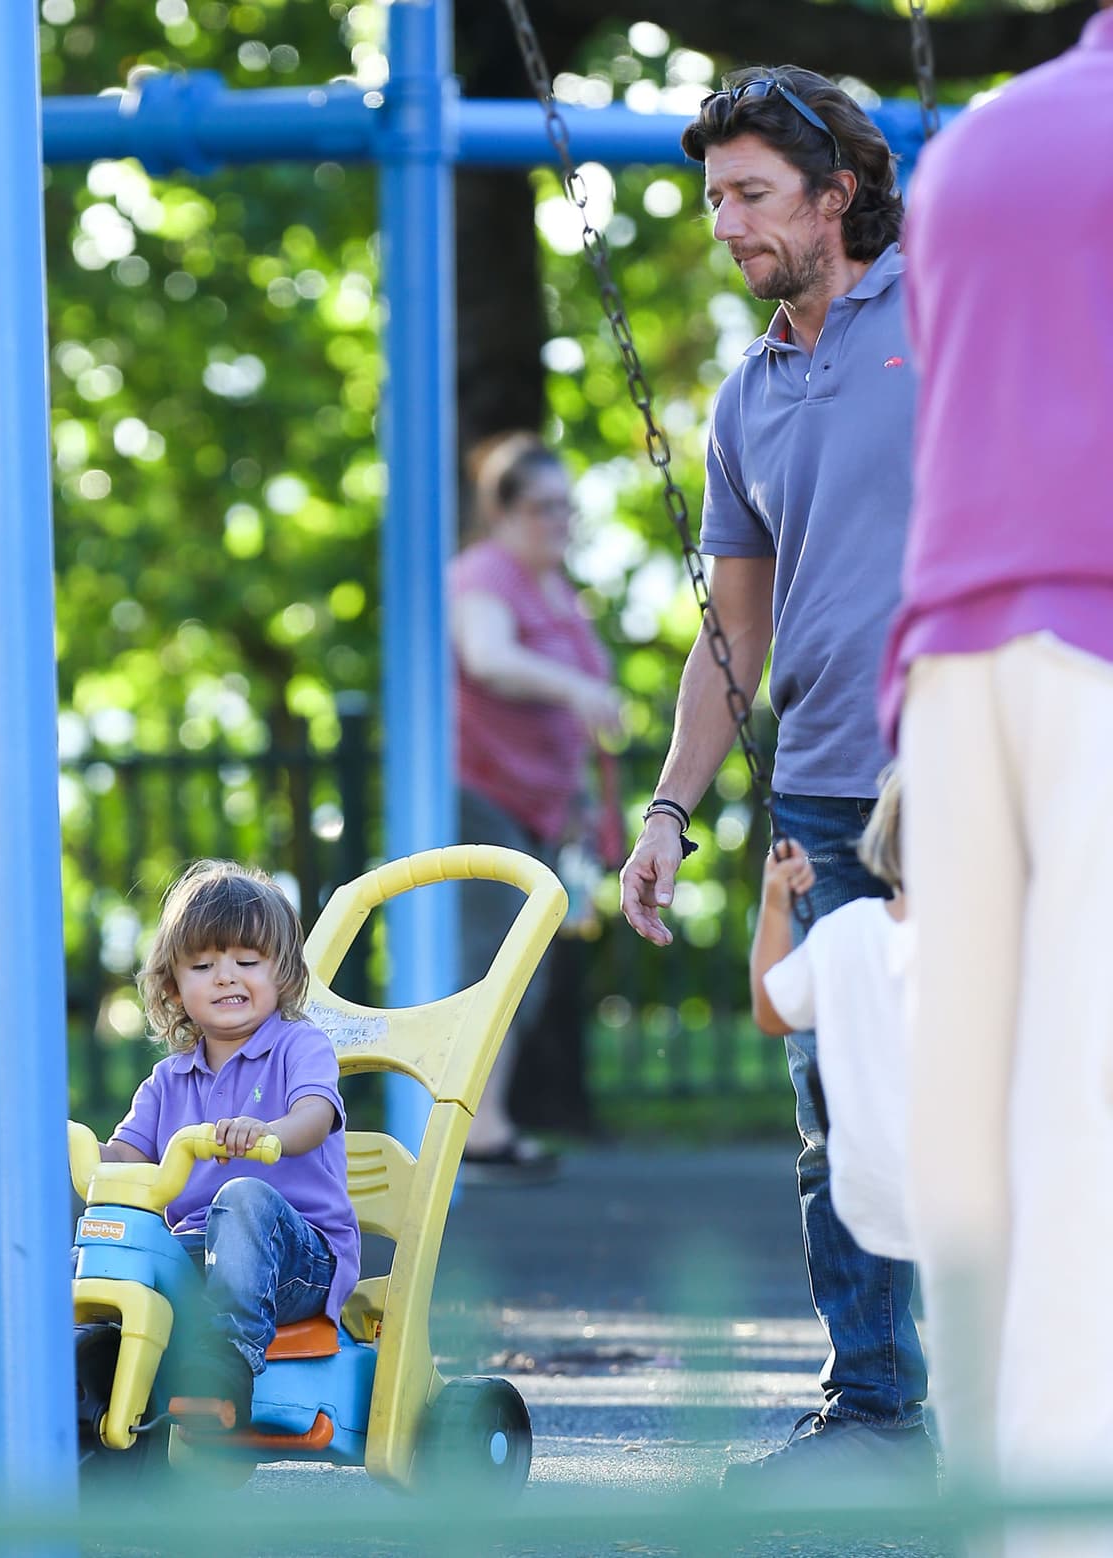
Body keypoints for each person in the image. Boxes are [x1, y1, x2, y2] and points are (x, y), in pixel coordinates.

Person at [619, 67, 933, 1488]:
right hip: (820, 796)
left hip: (963, 776)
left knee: (1015, 1090)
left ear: (839, 191)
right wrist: (671, 811)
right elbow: (731, 637)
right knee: (840, 1122)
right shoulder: (749, 391)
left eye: (751, 195)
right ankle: (875, 1411)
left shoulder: (945, 314)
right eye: (715, 201)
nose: (728, 224)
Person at [878, 6, 1113, 1544]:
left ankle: (993, 1509)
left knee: (973, 1135)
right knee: (1088, 1116)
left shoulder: (978, 149)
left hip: (955, 664)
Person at [102, 859, 361, 1422]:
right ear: (173, 985)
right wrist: (58, 1149)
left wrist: (269, 1133)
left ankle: (227, 1362)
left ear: (283, 975)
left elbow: (315, 1115)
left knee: (242, 1196)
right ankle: (65, 1362)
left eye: (247, 961)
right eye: (202, 965)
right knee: (106, 1237)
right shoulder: (167, 1080)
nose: (226, 976)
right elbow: (123, 1160)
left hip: (295, 1259)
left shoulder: (300, 1046)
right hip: (195, 1257)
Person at [451, 432, 623, 1180]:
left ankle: (489, 1122)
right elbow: (488, 659)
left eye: (566, 508)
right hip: (483, 797)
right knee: (492, 964)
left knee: (522, 971)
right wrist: (578, 688)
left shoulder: (555, 588)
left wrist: (583, 800)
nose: (559, 522)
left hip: (540, 811)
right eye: (542, 508)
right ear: (502, 512)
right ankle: (473, 1130)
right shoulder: (484, 575)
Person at [751, 769, 914, 1267]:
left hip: (870, 1188)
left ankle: (872, 1349)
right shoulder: (1002, 944)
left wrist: (776, 908)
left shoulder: (845, 933)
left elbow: (772, 1013)